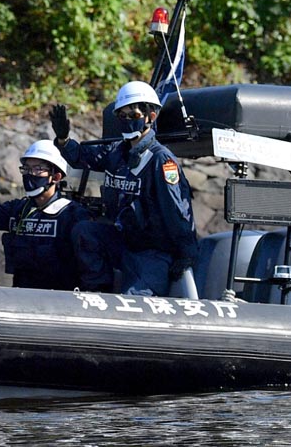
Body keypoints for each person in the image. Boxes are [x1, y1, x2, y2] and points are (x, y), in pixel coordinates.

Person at [51, 80, 199, 296]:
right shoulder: (116, 152)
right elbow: (82, 157)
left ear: (151, 116)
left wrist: (187, 253)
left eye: (134, 115)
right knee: (85, 231)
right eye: (122, 116)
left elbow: (177, 211)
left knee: (135, 299)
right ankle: (97, 293)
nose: (127, 121)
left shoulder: (160, 160)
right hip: (123, 242)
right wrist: (64, 140)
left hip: (152, 252)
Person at [0, 140, 92, 291]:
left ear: (56, 177)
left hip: (58, 298)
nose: (30, 174)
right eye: (26, 169)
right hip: (22, 296)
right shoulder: (19, 209)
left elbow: (88, 262)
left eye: (37, 169)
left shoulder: (72, 215)